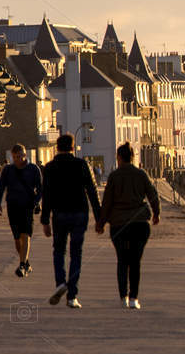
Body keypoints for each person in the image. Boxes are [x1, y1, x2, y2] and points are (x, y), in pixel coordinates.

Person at [40, 132, 100, 308]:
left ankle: (60, 283)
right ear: (73, 148)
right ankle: (72, 296)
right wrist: (99, 218)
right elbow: (92, 191)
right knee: (76, 253)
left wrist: (45, 220)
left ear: (57, 148)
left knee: (59, 251)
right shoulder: (82, 165)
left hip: (59, 214)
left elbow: (47, 195)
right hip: (79, 214)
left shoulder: (50, 167)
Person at [97, 142, 161, 308]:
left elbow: (107, 202)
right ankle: (134, 298)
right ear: (132, 158)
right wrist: (156, 213)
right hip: (140, 223)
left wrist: (101, 223)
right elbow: (153, 194)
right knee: (135, 261)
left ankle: (123, 297)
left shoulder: (114, 176)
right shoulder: (141, 174)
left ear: (119, 158)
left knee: (122, 260)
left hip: (118, 224)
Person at [0, 143, 43, 277]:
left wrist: (36, 202)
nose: (18, 159)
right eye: (15, 157)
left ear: (25, 155)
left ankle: (21, 265)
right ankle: (25, 262)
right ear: (12, 157)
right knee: (17, 238)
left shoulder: (33, 169)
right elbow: (0, 187)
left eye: (20, 156)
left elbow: (40, 188)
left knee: (25, 234)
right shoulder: (8, 170)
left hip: (28, 206)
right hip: (13, 206)